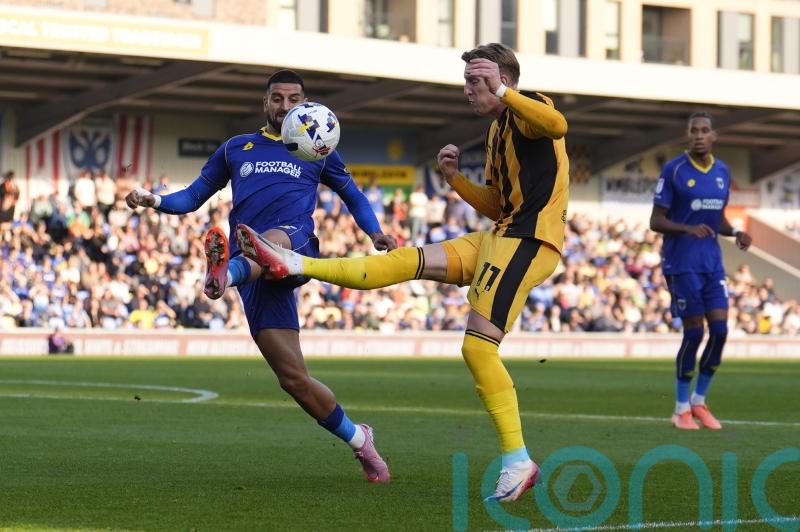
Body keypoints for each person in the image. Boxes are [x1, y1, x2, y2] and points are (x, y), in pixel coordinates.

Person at [237, 43, 569, 502]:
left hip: (531, 241)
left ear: (503, 80)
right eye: (469, 82)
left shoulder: (531, 109)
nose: (470, 91)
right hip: (502, 234)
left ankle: (517, 459)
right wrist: (455, 180)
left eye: (478, 82)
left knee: (477, 347)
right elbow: (498, 204)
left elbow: (558, 126)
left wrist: (505, 92)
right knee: (408, 260)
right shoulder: (495, 135)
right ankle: (299, 263)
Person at [125, 69, 395, 483]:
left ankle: (224, 275)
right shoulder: (237, 148)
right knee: (294, 380)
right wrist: (154, 199)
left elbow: (353, 196)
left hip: (296, 246)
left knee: (267, 242)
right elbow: (193, 197)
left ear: (305, 103)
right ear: (264, 103)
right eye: (277, 98)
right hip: (257, 275)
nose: (285, 106)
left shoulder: (317, 148)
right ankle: (360, 439)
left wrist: (375, 232)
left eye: (294, 99)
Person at [650, 111, 752, 431]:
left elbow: (717, 218)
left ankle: (699, 401)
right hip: (681, 263)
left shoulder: (722, 171)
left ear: (713, 136)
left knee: (720, 332)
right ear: (687, 135)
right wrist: (685, 229)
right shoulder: (675, 170)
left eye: (704, 130)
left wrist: (734, 232)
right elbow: (656, 220)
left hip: (711, 263)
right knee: (694, 332)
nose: (698, 135)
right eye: (693, 130)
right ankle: (680, 409)